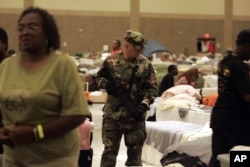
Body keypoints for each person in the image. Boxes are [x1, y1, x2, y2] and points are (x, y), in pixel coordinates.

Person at [0, 6, 90, 167]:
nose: (25, 32)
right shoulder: (7, 66)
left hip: (54, 158)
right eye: (21, 28)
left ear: (47, 33)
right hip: (14, 157)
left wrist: (35, 133)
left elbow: (77, 114)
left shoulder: (63, 66)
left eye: (32, 27)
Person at [96, 30, 157, 167]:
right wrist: (107, 86)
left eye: (140, 49)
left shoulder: (145, 64)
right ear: (127, 46)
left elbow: (152, 89)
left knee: (135, 159)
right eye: (136, 49)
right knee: (109, 154)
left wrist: (144, 104)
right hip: (113, 115)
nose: (139, 52)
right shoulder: (111, 61)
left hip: (135, 117)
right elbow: (99, 78)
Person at [208, 29, 250, 167]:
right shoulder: (239, 67)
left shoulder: (226, 60)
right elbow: (247, 96)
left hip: (219, 117)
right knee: (241, 158)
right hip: (236, 122)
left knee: (219, 158)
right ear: (246, 46)